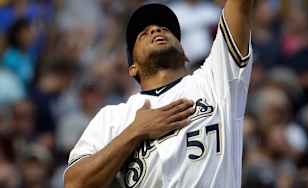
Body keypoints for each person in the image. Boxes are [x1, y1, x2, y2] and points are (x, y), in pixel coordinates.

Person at [64, 1, 253, 188]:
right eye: (143, 33)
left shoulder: (216, 79)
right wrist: (136, 131)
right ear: (132, 68)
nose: (155, 30)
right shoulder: (113, 118)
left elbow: (241, 8)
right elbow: (75, 183)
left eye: (165, 29)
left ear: (185, 53)